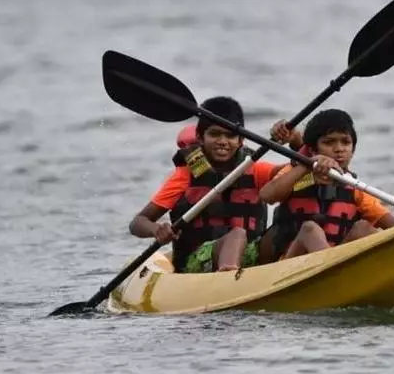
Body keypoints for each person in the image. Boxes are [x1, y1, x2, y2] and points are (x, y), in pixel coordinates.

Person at [128, 96, 299, 273]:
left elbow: (297, 172)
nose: (223, 141)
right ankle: (228, 276)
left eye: (230, 135)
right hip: (197, 260)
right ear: (200, 138)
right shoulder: (185, 175)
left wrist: (295, 139)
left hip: (249, 255)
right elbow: (138, 223)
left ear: (241, 140)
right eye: (215, 134)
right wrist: (156, 230)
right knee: (238, 233)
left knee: (287, 228)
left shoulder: (254, 170)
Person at [259, 109, 394, 261]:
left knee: (363, 227)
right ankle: (328, 269)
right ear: (313, 150)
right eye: (329, 143)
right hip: (291, 264)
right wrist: (307, 165)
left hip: (336, 264)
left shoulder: (355, 188)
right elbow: (267, 196)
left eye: (346, 142)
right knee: (310, 229)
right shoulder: (296, 173)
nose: (339, 149)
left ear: (353, 150)